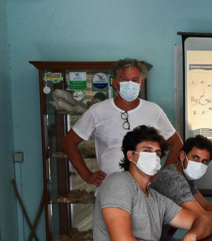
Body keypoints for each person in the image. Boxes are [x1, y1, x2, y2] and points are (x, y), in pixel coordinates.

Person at [63, 58, 183, 187]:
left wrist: (163, 175)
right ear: (115, 83)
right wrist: (87, 175)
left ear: (141, 84)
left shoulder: (153, 110)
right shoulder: (97, 111)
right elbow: (68, 143)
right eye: (124, 80)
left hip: (145, 189)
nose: (130, 84)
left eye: (135, 80)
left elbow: (177, 143)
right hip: (109, 187)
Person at [151, 134, 212, 224]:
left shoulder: (185, 177)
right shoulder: (173, 179)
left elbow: (206, 206)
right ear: (182, 156)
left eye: (204, 161)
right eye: (195, 158)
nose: (199, 164)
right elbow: (204, 217)